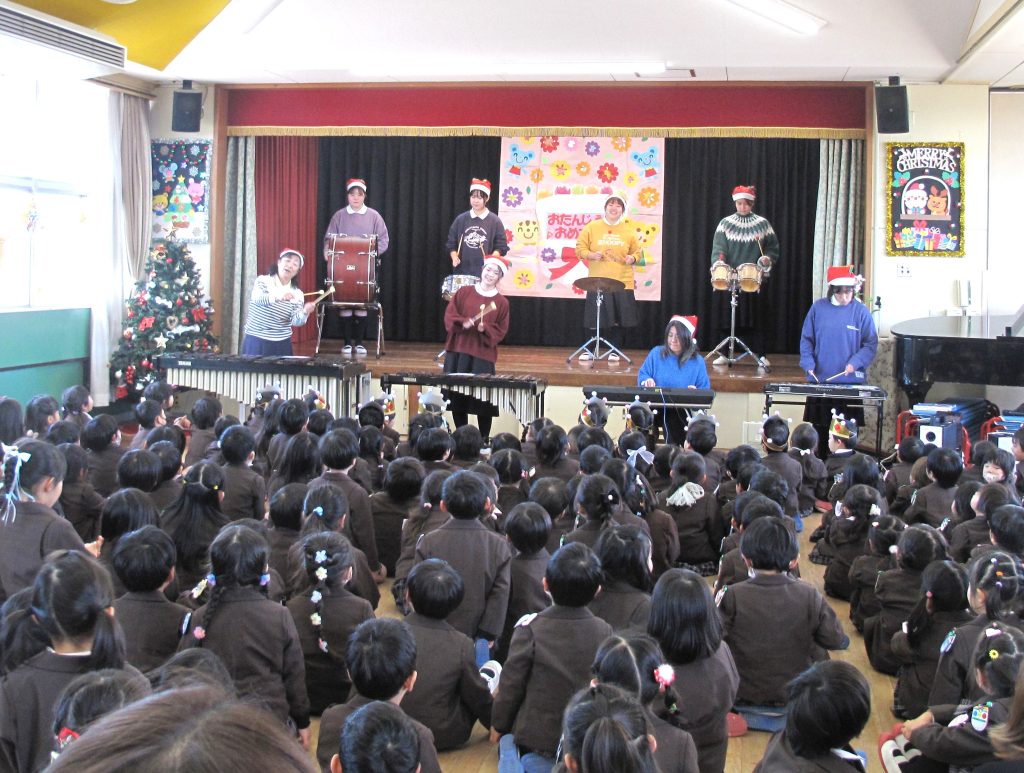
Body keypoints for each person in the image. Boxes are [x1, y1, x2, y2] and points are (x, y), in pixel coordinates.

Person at [799, 265, 879, 452]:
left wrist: (856, 362)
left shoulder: (860, 311)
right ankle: (821, 465)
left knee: (843, 438)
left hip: (848, 384)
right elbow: (806, 340)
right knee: (821, 435)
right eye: (840, 292)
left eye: (848, 292)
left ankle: (842, 467)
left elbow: (870, 344)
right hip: (822, 381)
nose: (845, 297)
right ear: (832, 290)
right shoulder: (818, 308)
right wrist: (808, 363)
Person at [442, 255, 511, 440]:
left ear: (499, 277)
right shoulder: (463, 292)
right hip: (459, 351)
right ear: (482, 270)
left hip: (482, 355)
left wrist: (485, 328)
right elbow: (450, 315)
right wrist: (463, 322)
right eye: (488, 270)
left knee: (483, 401)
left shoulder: (502, 303)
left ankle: (484, 439)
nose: (490, 274)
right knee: (457, 398)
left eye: (495, 272)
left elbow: (501, 330)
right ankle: (462, 438)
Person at [324, 178, 391, 356]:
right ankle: (347, 343)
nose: (355, 198)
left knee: (362, 303)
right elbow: (329, 239)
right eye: (352, 194)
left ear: (364, 196)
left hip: (365, 268)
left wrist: (372, 255)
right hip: (342, 267)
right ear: (347, 196)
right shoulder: (339, 216)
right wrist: (328, 254)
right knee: (345, 301)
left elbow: (384, 240)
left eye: (359, 194)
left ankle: (359, 343)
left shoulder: (374, 216)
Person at [575, 192, 641, 358]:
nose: (614, 208)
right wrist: (591, 255)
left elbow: (638, 252)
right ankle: (589, 350)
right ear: (605, 207)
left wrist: (632, 258)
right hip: (597, 281)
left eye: (618, 205)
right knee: (594, 317)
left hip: (621, 280)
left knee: (618, 318)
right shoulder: (592, 227)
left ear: (623, 210)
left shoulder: (629, 230)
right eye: (611, 204)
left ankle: (615, 351)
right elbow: (579, 249)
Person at [637, 316, 711, 444]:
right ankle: (641, 449)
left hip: (679, 409)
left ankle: (672, 451)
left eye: (678, 336)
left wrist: (696, 393)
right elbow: (643, 374)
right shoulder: (656, 353)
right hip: (654, 405)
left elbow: (704, 391)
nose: (673, 340)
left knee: (673, 417)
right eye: (670, 335)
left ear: (687, 338)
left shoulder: (697, 361)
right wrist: (646, 380)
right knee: (638, 414)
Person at [241, 248, 317, 356]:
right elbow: (257, 299)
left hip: (282, 343)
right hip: (257, 339)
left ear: (297, 271)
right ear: (279, 262)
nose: (290, 265)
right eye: (287, 260)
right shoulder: (263, 281)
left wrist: (305, 312)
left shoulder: (298, 293)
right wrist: (278, 297)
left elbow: (296, 321)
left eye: (295, 264)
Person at [446, 178, 508, 279]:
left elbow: (501, 246)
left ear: (487, 198)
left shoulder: (495, 220)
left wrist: (491, 260)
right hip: (462, 271)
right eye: (473, 197)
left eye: (479, 198)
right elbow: (451, 243)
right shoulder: (461, 219)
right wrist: (454, 257)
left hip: (485, 273)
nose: (475, 201)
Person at [711, 185, 779, 271]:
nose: (743, 207)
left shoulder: (762, 224)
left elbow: (772, 247)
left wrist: (768, 258)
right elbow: (719, 249)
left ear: (752, 204)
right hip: (730, 274)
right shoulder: (725, 224)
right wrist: (719, 262)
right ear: (735, 202)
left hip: (755, 274)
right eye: (739, 203)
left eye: (746, 204)